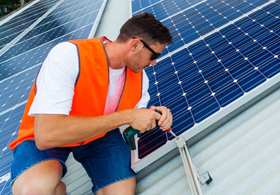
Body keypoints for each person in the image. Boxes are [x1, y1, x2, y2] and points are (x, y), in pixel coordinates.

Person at [9, 12, 174, 195]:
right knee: (34, 190)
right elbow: (46, 135)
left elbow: (137, 115)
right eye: (153, 55)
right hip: (46, 135)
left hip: (99, 135)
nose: (154, 63)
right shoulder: (69, 55)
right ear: (135, 45)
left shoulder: (140, 79)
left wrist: (155, 115)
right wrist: (126, 116)